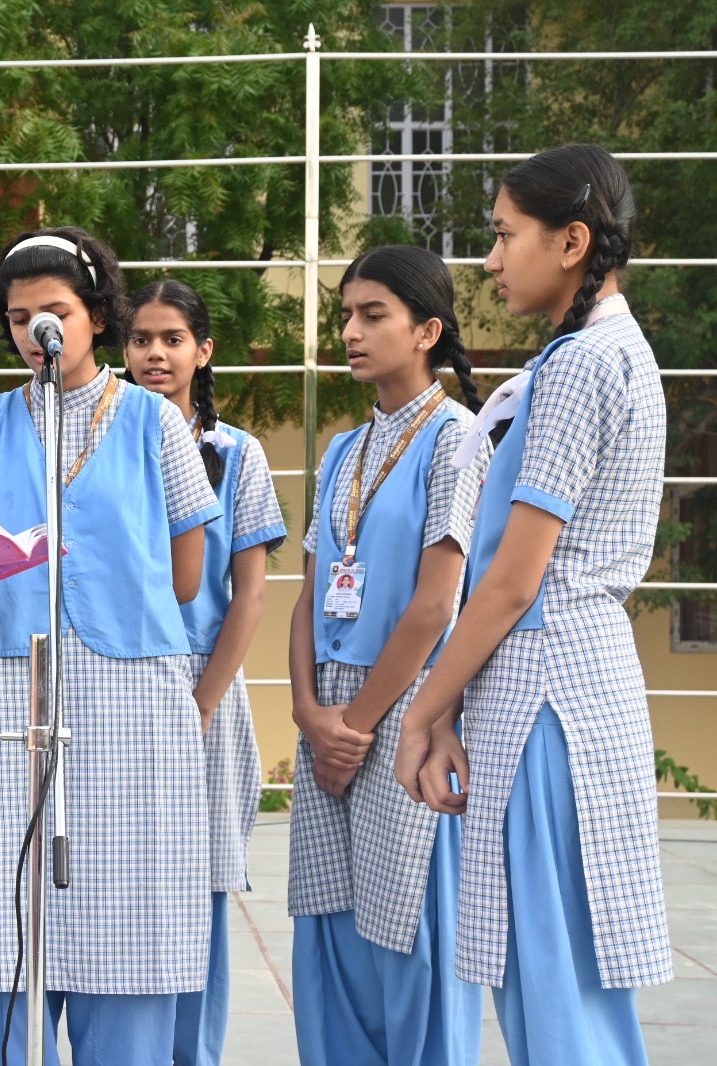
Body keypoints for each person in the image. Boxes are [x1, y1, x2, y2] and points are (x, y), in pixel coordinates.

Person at [394, 144, 671, 1066]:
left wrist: (421, 714)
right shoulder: (608, 354)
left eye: (506, 235)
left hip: (550, 698)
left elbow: (514, 580)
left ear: (572, 242)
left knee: (551, 989)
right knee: (566, 986)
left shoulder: (581, 365)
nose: (490, 259)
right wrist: (447, 711)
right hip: (566, 688)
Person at [0, 227, 223, 1066]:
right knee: (16, 909)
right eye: (18, 317)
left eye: (54, 312)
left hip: (128, 689)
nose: (37, 332)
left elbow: (186, 574)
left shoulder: (153, 421)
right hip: (7, 683)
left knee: (127, 910)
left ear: (96, 313)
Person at [286, 244, 490, 1066]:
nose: (351, 332)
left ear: (427, 330)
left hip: (407, 710)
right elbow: (309, 593)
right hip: (328, 716)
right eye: (346, 315)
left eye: (373, 315)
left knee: (409, 929)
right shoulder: (344, 449)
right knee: (330, 928)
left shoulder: (457, 440)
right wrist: (308, 713)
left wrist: (358, 727)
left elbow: (436, 604)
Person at [123, 279, 287, 1066]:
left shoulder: (237, 454)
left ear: (203, 351)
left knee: (199, 886)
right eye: (141, 340)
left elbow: (248, 595)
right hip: (118, 683)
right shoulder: (102, 441)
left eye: (172, 339)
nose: (155, 354)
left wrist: (203, 703)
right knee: (122, 879)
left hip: (202, 684)